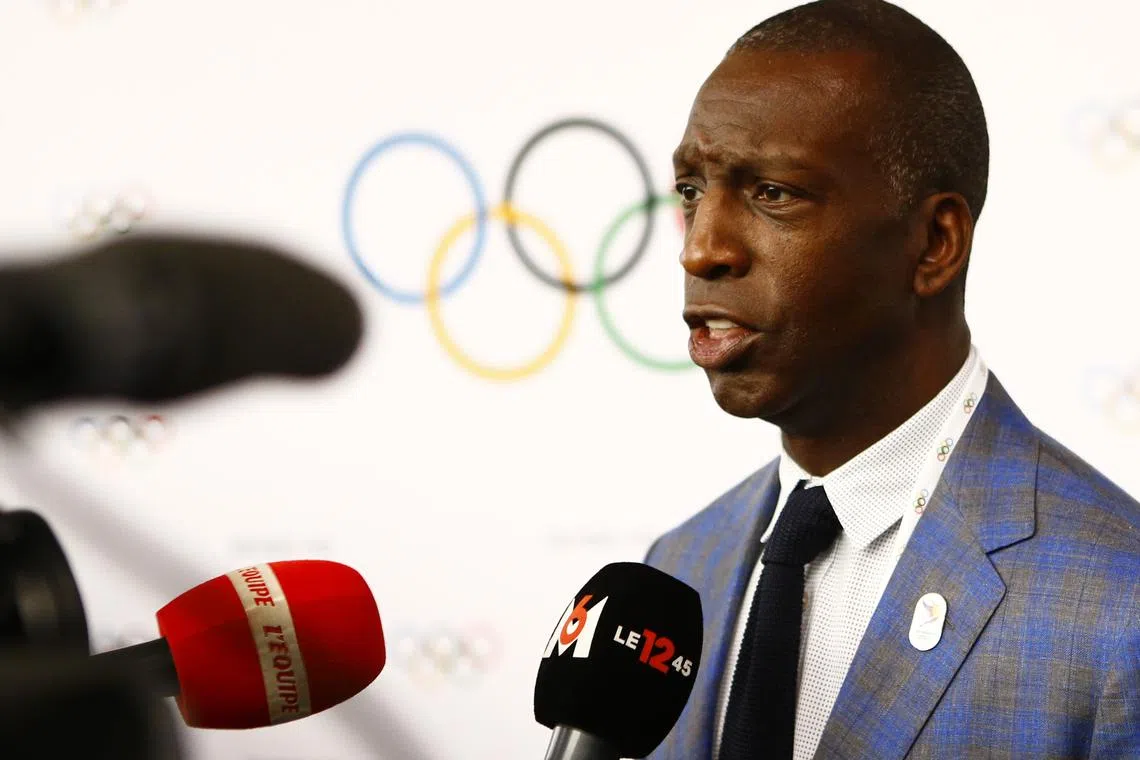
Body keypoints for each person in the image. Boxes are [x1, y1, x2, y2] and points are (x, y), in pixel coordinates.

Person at [643, 1, 1140, 759]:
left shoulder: (1118, 608)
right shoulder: (679, 569)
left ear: (935, 243)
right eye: (690, 191)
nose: (701, 248)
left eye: (772, 192)